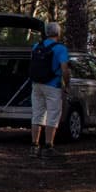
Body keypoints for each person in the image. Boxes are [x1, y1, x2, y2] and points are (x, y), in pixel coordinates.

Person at [30, 21, 71, 161]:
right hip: (53, 85)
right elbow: (64, 69)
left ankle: (34, 146)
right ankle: (48, 147)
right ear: (58, 33)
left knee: (37, 114)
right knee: (53, 115)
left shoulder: (36, 46)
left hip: (36, 85)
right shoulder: (60, 49)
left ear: (46, 33)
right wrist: (67, 84)